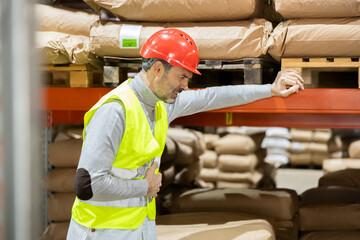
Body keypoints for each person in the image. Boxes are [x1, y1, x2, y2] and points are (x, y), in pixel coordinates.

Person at [66, 28, 304, 239]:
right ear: (158, 68)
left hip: (135, 229)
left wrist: (269, 90)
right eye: (181, 77)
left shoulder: (161, 104)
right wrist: (144, 188)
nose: (185, 86)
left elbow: (210, 97)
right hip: (100, 233)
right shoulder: (115, 110)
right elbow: (88, 185)